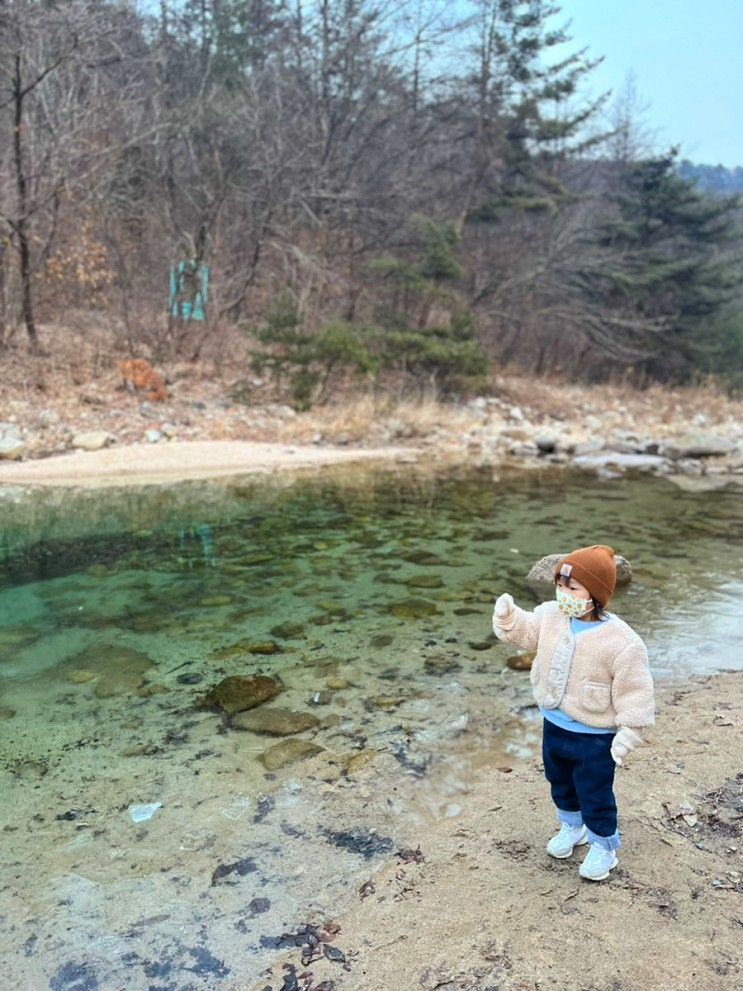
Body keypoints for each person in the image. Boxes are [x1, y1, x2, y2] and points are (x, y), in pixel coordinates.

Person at [492, 544, 655, 881]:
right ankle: (572, 826)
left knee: (594, 790)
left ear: (596, 594)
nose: (562, 593)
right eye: (559, 585)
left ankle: (603, 846)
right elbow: (527, 630)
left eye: (572, 588)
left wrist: (629, 733)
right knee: (560, 781)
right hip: (554, 724)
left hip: (594, 736)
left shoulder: (622, 641)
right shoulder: (552, 614)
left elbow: (635, 690)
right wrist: (509, 617)